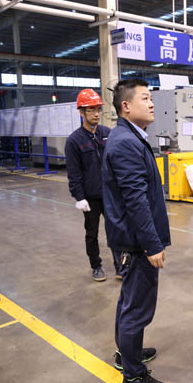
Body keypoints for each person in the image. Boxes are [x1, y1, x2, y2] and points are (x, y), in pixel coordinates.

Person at [102, 79, 171, 383]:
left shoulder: (129, 137)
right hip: (137, 242)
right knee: (137, 308)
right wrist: (152, 244)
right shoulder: (126, 143)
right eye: (145, 98)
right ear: (126, 106)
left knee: (129, 302)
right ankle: (133, 376)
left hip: (131, 239)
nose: (152, 103)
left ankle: (126, 353)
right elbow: (136, 201)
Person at [65, 88, 121, 282]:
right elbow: (74, 173)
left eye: (98, 109)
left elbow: (117, 163)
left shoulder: (108, 134)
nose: (96, 114)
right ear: (81, 112)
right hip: (90, 198)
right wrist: (79, 197)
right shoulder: (74, 140)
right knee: (92, 233)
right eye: (91, 110)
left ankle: (120, 265)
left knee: (116, 229)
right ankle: (96, 266)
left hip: (110, 194)